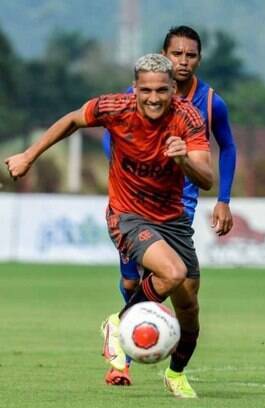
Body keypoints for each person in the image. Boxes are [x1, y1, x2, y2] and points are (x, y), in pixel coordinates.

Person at [5, 53, 213, 399]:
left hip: (172, 220)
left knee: (189, 308)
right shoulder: (115, 107)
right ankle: (119, 323)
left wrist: (183, 161)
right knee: (172, 273)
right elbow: (72, 121)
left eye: (162, 90)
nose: (153, 98)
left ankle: (175, 374)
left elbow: (206, 178)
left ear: (173, 90)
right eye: (146, 90)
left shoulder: (188, 118)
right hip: (127, 215)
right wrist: (29, 155)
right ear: (134, 89)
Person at [101, 25, 237, 387]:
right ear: (164, 55)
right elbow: (109, 135)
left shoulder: (210, 102)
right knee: (134, 280)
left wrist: (223, 199)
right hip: (134, 204)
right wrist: (123, 175)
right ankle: (122, 359)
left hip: (181, 207)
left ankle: (174, 371)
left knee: (183, 291)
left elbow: (229, 146)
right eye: (176, 54)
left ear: (199, 59)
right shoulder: (143, 93)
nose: (183, 60)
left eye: (190, 55)